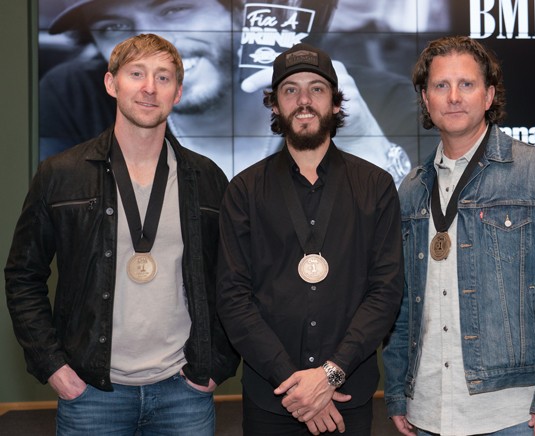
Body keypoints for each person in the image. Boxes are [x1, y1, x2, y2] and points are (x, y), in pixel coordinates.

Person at [4, 33, 239, 434]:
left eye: (163, 78)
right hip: (91, 392)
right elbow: (23, 277)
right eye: (137, 74)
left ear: (178, 93)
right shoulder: (60, 175)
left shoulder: (208, 178)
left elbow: (232, 280)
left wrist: (216, 365)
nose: (150, 88)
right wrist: (54, 367)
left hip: (184, 392)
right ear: (111, 83)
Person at [382, 35, 535, 436]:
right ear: (426, 100)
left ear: (488, 95)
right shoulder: (411, 188)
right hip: (427, 409)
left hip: (512, 413)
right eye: (441, 86)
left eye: (467, 84)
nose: (454, 97)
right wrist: (397, 390)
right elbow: (401, 306)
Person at [216, 43, 404, 435]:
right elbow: (233, 297)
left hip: (346, 395)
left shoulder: (376, 186)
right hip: (272, 396)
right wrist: (295, 384)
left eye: (317, 89)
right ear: (274, 106)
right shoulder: (244, 190)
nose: (304, 100)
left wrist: (328, 377)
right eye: (290, 90)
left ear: (336, 103)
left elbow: (385, 292)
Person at [38, 0, 413, 182]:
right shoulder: (75, 97)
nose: (156, 45)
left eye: (175, 9)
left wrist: (365, 144)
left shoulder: (374, 99)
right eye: (114, 25)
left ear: (241, 13)